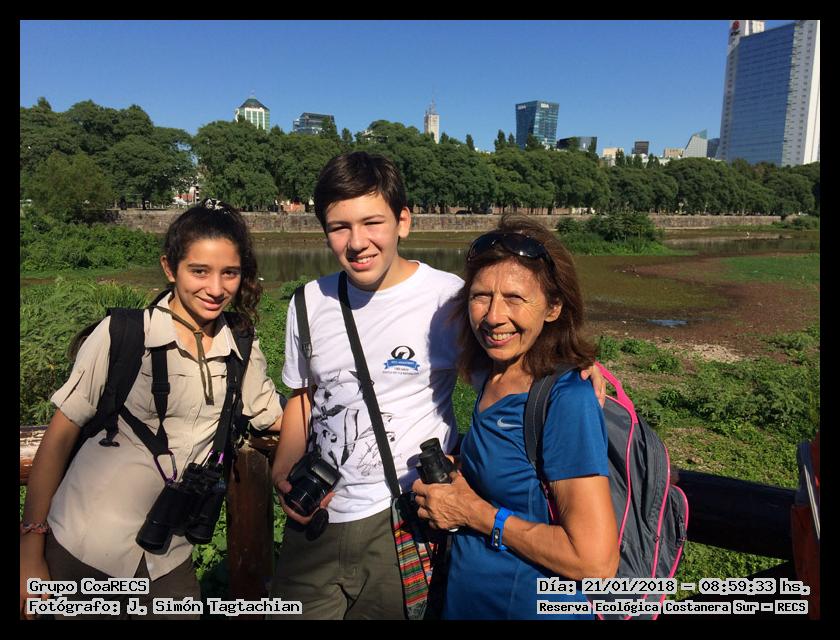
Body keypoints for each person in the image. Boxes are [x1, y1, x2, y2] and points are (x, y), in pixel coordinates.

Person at [269, 152, 605, 620]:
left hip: (399, 518)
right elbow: (304, 396)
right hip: (317, 516)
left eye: (372, 222)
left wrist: (579, 365)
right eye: (339, 227)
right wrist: (283, 469)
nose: (357, 242)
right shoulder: (308, 302)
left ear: (403, 221)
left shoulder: (450, 299)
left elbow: (514, 367)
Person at [19, 199, 284, 620]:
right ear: (169, 268)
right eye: (199, 271)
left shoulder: (241, 346)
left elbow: (272, 416)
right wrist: (30, 550)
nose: (216, 288)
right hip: (85, 546)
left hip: (168, 552)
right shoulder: (123, 334)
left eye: (230, 273)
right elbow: (58, 438)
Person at [412, 215, 619, 620]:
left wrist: (473, 513)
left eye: (515, 298)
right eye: (480, 296)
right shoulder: (494, 375)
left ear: (554, 307)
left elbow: (595, 562)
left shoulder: (567, 398)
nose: (493, 316)